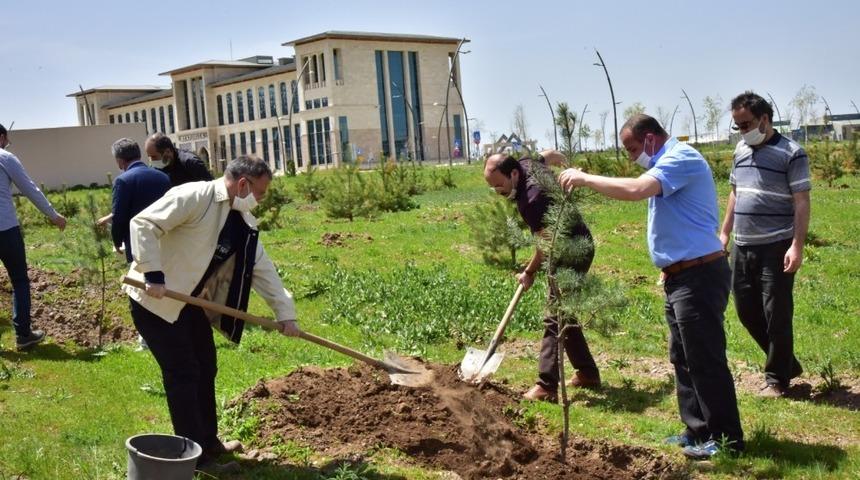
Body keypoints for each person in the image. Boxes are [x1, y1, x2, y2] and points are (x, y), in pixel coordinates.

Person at [558, 114, 743, 460]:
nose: (631, 157)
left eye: (632, 148)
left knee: (704, 357)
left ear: (650, 139)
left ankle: (726, 437)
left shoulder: (680, 158)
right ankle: (696, 430)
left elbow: (636, 190)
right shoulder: (664, 164)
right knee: (683, 357)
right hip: (679, 275)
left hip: (700, 274)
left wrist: (584, 178)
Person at [122, 155, 300, 467]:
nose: (260, 200)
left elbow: (262, 270)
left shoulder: (242, 221)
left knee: (206, 365)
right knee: (184, 372)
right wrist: (152, 273)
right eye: (260, 192)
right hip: (154, 300)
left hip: (189, 302)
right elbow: (143, 223)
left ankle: (208, 442)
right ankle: (194, 458)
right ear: (242, 184)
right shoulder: (194, 196)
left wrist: (285, 313)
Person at [484, 150, 600, 402]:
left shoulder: (532, 200)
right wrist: (567, 164)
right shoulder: (526, 164)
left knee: (554, 315)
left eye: (499, 186)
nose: (498, 192)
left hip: (573, 250)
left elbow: (545, 243)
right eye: (492, 187)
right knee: (563, 313)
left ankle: (546, 386)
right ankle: (587, 373)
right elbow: (549, 155)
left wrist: (529, 271)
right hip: (570, 243)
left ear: (513, 173)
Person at [719, 91, 810, 398]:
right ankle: (787, 364)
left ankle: (777, 379)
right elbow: (735, 192)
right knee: (746, 311)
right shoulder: (741, 150)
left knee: (777, 312)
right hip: (743, 246)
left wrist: (796, 246)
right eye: (738, 126)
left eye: (746, 124)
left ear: (764, 119)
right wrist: (725, 233)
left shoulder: (792, 153)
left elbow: (801, 202)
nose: (743, 131)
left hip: (776, 245)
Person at [0, 123, 67, 350]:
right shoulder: (5, 157)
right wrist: (53, 215)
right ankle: (23, 334)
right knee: (19, 280)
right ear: (1, 138)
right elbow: (29, 188)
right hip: (5, 229)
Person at [108, 138, 170, 263]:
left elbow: (119, 216)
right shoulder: (163, 177)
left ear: (120, 161)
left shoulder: (122, 181)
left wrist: (117, 241)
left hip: (138, 243)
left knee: (141, 279)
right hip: (164, 240)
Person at [144, 132, 213, 185]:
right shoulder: (158, 169)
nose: (152, 161)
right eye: (149, 157)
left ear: (167, 151)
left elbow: (211, 188)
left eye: (154, 157)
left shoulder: (191, 163)